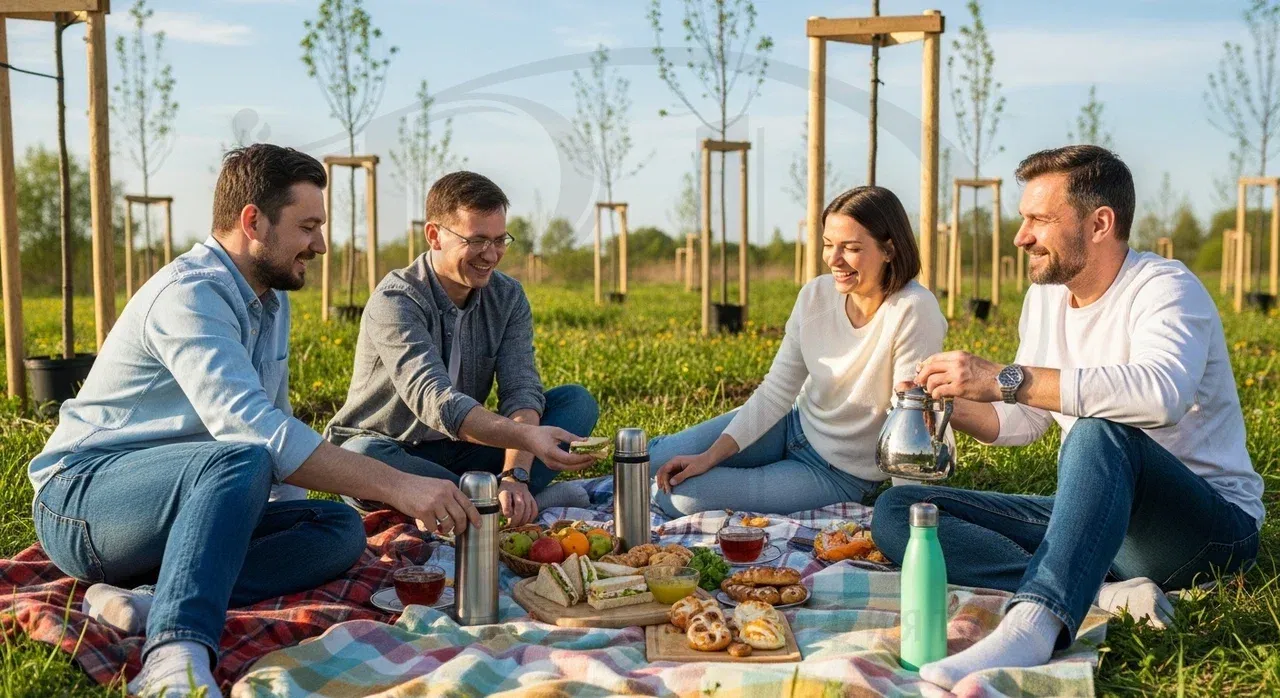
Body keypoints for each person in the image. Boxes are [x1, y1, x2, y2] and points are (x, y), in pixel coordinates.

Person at [27, 144, 493, 698]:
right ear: (253, 221)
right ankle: (173, 654)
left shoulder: (270, 301)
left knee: (336, 530)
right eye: (308, 226)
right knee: (242, 457)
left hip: (192, 496)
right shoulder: (190, 295)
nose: (320, 244)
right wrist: (402, 486)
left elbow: (278, 422)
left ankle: (157, 596)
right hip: (84, 500)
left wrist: (301, 524)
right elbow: (253, 431)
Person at [871, 145, 1264, 691]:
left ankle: (1037, 622)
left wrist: (1007, 378)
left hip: (1206, 532)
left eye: (1040, 220)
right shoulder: (1046, 300)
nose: (1021, 236)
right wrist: (949, 401)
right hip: (1107, 517)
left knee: (1100, 432)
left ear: (1100, 222)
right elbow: (1026, 422)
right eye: (1023, 218)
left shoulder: (1165, 289)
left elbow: (1162, 395)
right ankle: (1100, 592)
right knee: (904, 512)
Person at [648, 186, 948, 517]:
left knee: (678, 497)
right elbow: (777, 390)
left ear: (889, 249)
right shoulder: (815, 296)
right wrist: (709, 456)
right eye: (828, 245)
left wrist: (906, 520)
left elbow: (908, 420)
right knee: (656, 458)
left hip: (837, 473)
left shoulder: (914, 309)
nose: (834, 260)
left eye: (850, 248)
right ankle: (585, 488)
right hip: (791, 424)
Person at [325, 171, 599, 528]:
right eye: (478, 240)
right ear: (434, 236)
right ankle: (497, 503)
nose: (491, 254)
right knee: (359, 455)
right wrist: (527, 439)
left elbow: (521, 391)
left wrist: (516, 472)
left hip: (465, 448)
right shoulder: (396, 299)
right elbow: (435, 401)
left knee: (574, 403)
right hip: (395, 450)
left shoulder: (508, 296)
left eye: (500, 240)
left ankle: (495, 496)